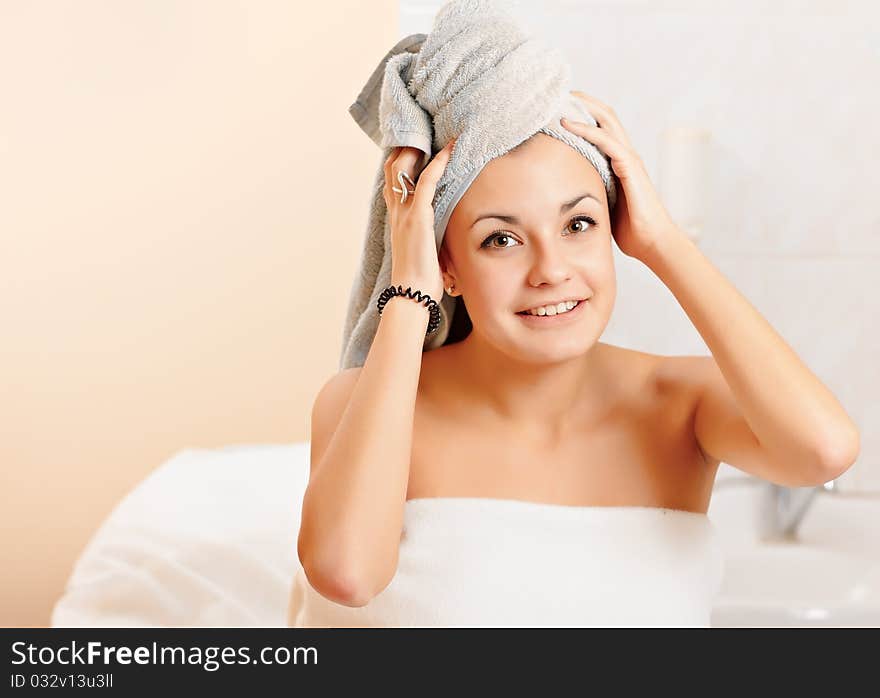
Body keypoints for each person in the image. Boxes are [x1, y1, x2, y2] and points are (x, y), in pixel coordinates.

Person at [289, 92, 860, 627]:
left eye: (578, 224)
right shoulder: (363, 403)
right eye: (500, 239)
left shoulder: (680, 403)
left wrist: (663, 243)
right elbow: (346, 574)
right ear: (448, 265)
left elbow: (825, 452)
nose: (551, 270)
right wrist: (412, 294)